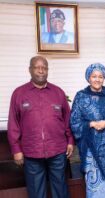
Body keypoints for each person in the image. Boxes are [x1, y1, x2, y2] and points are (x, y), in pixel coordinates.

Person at [8, 56, 74, 198]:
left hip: (57, 150)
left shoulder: (58, 92)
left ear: (48, 70)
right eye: (37, 67)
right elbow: (13, 123)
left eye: (44, 67)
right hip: (31, 152)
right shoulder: (19, 93)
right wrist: (16, 149)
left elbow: (67, 119)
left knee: (61, 190)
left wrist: (70, 141)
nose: (41, 71)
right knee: (36, 192)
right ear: (30, 70)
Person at [70, 63, 105, 198]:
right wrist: (92, 124)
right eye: (94, 76)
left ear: (104, 78)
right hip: (91, 150)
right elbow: (74, 122)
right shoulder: (81, 96)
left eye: (100, 76)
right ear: (88, 78)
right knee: (94, 187)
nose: (97, 79)